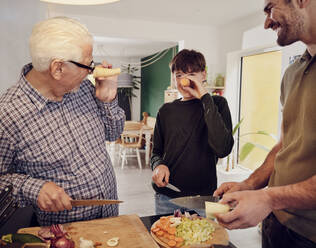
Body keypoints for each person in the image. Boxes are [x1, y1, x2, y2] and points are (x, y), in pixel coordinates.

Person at [0, 17, 125, 226]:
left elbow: (113, 134)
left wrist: (108, 100)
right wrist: (32, 187)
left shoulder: (85, 89)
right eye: (87, 64)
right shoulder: (7, 116)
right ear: (57, 68)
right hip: (64, 232)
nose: (91, 71)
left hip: (110, 216)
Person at [213, 0, 316, 247]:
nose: (267, 22)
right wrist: (249, 184)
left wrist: (269, 198)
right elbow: (285, 144)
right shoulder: (292, 73)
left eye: (270, 8)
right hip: (277, 223)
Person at [151, 49, 234, 215]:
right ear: (173, 78)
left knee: (203, 241)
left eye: (192, 74)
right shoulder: (166, 111)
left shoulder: (217, 104)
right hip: (167, 197)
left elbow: (222, 149)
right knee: (165, 239)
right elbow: (156, 152)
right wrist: (158, 165)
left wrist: (204, 96)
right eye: (180, 74)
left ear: (203, 75)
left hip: (203, 198)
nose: (185, 81)